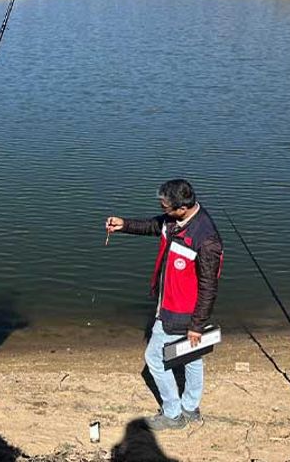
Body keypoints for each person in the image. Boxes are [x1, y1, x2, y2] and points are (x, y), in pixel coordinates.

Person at [105, 179, 223, 431]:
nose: (163, 211)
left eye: (165, 207)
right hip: (172, 304)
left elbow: (209, 288)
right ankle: (190, 408)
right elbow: (153, 225)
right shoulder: (175, 221)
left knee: (155, 359)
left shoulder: (206, 240)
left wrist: (197, 325)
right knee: (193, 357)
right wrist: (124, 224)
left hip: (180, 312)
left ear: (182, 207)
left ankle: (173, 414)